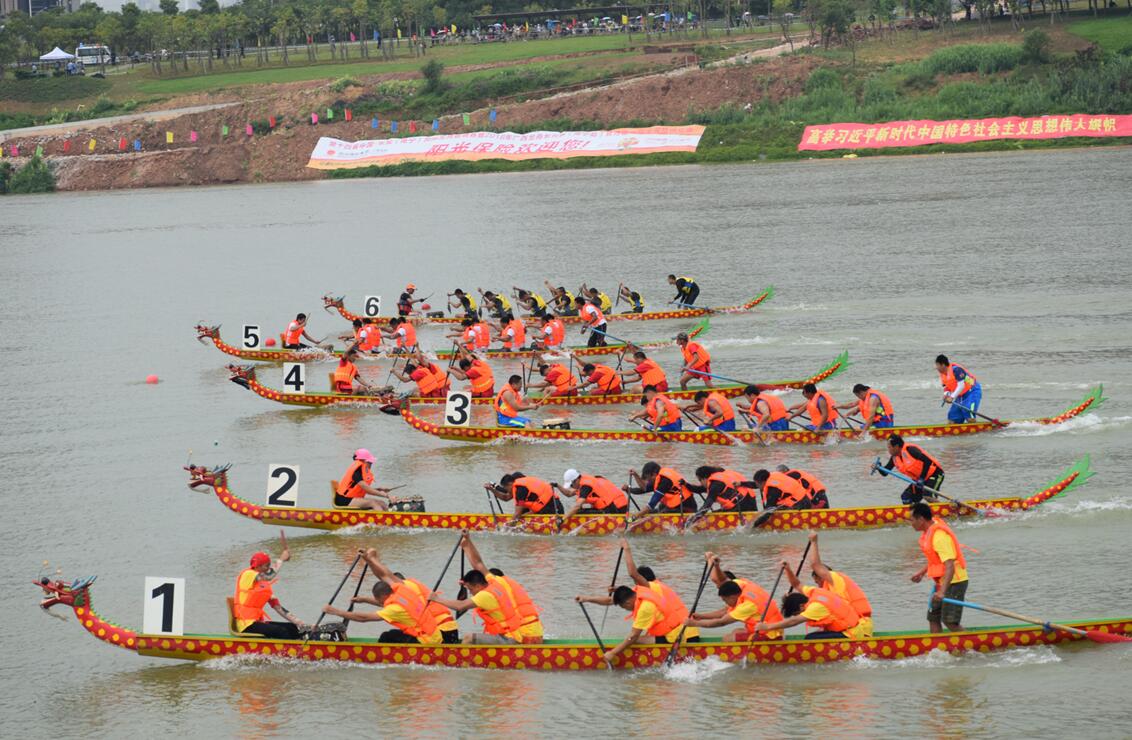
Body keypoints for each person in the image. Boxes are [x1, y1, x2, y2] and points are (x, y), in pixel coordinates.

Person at [575, 537, 698, 665]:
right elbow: (612, 600)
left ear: (641, 580)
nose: (635, 584)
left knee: (635, 638)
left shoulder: (650, 592)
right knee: (640, 636)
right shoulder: (649, 590)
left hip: (683, 636)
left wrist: (626, 548)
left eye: (636, 581)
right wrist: (587, 598)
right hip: (684, 630)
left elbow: (633, 573)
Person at [432, 532, 545, 644]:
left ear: (477, 585)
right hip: (523, 634)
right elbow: (478, 563)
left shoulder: (485, 595)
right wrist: (467, 542)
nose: (471, 593)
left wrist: (436, 599)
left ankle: (459, 656)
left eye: (470, 590)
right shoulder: (496, 581)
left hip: (516, 639)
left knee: (468, 638)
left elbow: (460, 606)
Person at [322, 548, 447, 644]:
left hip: (427, 641)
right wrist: (368, 560)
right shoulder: (402, 589)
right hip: (434, 635)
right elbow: (384, 575)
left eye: (377, 600)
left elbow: (364, 618)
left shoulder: (394, 609)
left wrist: (335, 611)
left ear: (381, 597)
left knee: (386, 637)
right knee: (392, 634)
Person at [684, 552, 783, 641]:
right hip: (769, 630)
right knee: (736, 631)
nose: (725, 603)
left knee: (727, 638)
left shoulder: (747, 606)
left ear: (731, 597)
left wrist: (695, 624)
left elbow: (721, 622)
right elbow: (720, 581)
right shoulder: (742, 584)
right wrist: (701, 616)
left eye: (725, 600)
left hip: (770, 636)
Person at [754, 562, 864, 640]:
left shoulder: (816, 607)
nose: (799, 615)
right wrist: (788, 569)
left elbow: (794, 621)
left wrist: (767, 627)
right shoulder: (813, 592)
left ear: (801, 606)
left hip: (851, 635)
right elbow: (796, 584)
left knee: (810, 638)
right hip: (849, 629)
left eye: (797, 613)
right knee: (817, 634)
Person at [910, 502, 969, 633]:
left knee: (950, 621)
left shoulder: (939, 537)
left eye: (912, 520)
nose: (911, 523)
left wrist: (942, 591)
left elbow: (950, 565)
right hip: (942, 582)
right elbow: (936, 559)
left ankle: (971, 643)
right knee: (933, 617)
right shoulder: (929, 532)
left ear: (921, 519)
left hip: (955, 582)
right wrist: (922, 572)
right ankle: (936, 645)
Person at [803, 532, 873, 637]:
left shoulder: (835, 579)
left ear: (821, 576)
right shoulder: (829, 591)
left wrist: (814, 542)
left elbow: (815, 564)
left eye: (817, 582)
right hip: (853, 628)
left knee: (810, 638)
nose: (818, 586)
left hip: (859, 628)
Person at [233, 548, 307, 639]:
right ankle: (288, 648)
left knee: (293, 627)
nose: (269, 568)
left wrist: (299, 622)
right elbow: (269, 576)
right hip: (246, 625)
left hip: (256, 623)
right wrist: (281, 559)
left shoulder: (264, 586)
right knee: (281, 631)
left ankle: (301, 644)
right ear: (258, 566)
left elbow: (278, 608)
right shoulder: (248, 574)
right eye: (267, 566)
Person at [877, 434, 944, 504]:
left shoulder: (910, 450)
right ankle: (916, 510)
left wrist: (921, 478)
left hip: (935, 474)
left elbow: (928, 461)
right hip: (919, 480)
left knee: (927, 496)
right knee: (906, 497)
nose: (888, 450)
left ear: (896, 447)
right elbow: (885, 473)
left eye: (889, 447)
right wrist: (879, 467)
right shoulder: (894, 458)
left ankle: (942, 508)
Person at [335, 448, 401, 510]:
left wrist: (379, 490)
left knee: (382, 503)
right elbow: (368, 490)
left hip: (351, 498)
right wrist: (387, 496)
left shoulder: (361, 470)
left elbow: (364, 489)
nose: (371, 464)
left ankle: (390, 516)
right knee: (373, 503)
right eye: (370, 462)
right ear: (362, 460)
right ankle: (381, 518)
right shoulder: (357, 472)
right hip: (344, 500)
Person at [625, 461, 697, 517]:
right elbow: (644, 489)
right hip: (676, 507)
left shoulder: (665, 481)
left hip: (686, 508)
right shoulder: (659, 477)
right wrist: (629, 489)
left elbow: (651, 505)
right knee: (656, 509)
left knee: (657, 511)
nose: (648, 481)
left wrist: (634, 517)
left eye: (649, 479)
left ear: (654, 474)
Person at [485, 472, 564, 520]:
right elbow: (506, 497)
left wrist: (505, 528)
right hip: (555, 507)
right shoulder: (522, 485)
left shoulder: (520, 489)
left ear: (510, 483)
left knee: (520, 513)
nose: (508, 492)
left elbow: (517, 514)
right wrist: (492, 489)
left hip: (553, 510)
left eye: (507, 489)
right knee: (523, 511)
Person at [687, 466, 757, 517]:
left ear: (705, 478)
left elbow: (707, 505)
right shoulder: (720, 477)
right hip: (751, 502)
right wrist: (685, 484)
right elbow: (698, 489)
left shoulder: (715, 485)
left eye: (700, 480)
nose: (700, 483)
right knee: (716, 512)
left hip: (743, 507)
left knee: (713, 514)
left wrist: (692, 520)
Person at [554, 468, 629, 516]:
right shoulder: (584, 481)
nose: (571, 487)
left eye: (571, 485)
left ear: (576, 480)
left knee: (578, 512)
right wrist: (557, 485)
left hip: (610, 511)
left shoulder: (586, 487)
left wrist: (563, 519)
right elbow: (569, 494)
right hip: (612, 508)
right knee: (579, 511)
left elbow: (577, 506)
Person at [937, 354, 983, 424]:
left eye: (937, 365)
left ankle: (976, 429)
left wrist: (951, 397)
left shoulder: (957, 370)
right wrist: (946, 394)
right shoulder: (942, 374)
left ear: (943, 365)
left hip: (972, 392)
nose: (936, 367)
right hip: (960, 395)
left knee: (969, 417)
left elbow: (961, 386)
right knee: (952, 421)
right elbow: (946, 387)